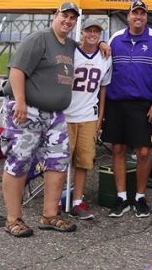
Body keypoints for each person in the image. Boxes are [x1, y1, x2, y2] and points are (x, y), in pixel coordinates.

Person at [0, 1, 81, 237]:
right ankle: (13, 219)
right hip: (28, 109)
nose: (68, 21)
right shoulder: (39, 38)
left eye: (72, 18)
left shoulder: (69, 45)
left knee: (58, 161)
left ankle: (49, 214)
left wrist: (103, 44)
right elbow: (17, 70)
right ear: (55, 16)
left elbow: (89, 44)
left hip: (55, 115)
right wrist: (21, 102)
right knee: (19, 161)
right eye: (64, 16)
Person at [105, 0, 152, 219]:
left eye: (142, 14)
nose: (138, 17)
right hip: (116, 103)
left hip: (143, 104)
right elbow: (103, 66)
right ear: (128, 16)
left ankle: (140, 197)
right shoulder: (114, 39)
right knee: (118, 149)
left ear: (146, 17)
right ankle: (122, 197)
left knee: (143, 151)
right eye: (135, 14)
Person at [64, 18, 112, 221]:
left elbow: (103, 90)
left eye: (97, 32)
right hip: (66, 114)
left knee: (83, 161)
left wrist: (100, 118)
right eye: (89, 30)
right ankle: (59, 198)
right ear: (81, 32)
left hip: (88, 116)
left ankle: (77, 201)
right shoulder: (71, 52)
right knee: (61, 161)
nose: (93, 35)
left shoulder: (105, 56)